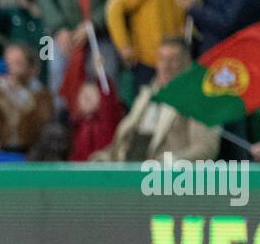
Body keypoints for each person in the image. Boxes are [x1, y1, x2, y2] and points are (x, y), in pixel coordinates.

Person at [88, 37, 220, 161]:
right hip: (127, 168)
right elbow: (122, 144)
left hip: (164, 178)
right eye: (162, 59)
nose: (165, 66)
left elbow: (206, 149)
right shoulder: (146, 95)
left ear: (187, 63)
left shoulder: (200, 100)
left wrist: (167, 163)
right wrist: (102, 159)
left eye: (173, 60)